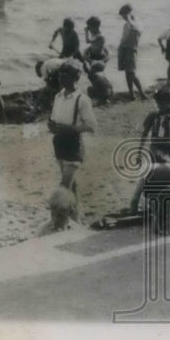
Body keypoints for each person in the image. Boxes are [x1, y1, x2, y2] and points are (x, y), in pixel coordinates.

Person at [48, 62, 96, 223]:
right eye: (60, 74)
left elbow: (91, 126)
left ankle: (58, 220)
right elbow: (55, 119)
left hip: (73, 145)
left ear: (75, 77)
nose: (60, 77)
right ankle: (76, 218)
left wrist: (71, 129)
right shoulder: (58, 96)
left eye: (65, 74)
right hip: (59, 143)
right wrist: (53, 126)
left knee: (64, 185)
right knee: (71, 185)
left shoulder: (82, 99)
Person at [128, 87, 170, 213]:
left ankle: (147, 202)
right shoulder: (153, 116)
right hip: (155, 149)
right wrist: (139, 152)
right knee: (148, 174)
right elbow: (144, 134)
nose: (160, 105)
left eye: (162, 102)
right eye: (158, 103)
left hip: (169, 150)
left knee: (163, 176)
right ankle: (139, 200)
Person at [117, 4, 147, 101]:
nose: (124, 18)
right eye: (123, 16)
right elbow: (123, 38)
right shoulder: (126, 25)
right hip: (124, 49)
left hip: (131, 49)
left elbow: (136, 29)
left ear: (129, 14)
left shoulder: (137, 23)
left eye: (124, 16)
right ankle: (131, 93)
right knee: (127, 72)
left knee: (132, 72)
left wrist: (129, 18)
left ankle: (142, 93)